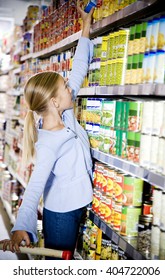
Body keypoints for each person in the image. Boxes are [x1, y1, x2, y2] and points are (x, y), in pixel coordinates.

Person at [0, 5, 94, 259]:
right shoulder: (49, 142)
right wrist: (20, 227)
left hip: (77, 202)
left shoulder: (64, 114)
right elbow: (34, 187)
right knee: (58, 266)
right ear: (54, 101)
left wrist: (85, 25)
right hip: (61, 214)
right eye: (65, 88)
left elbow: (77, 70)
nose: (70, 89)